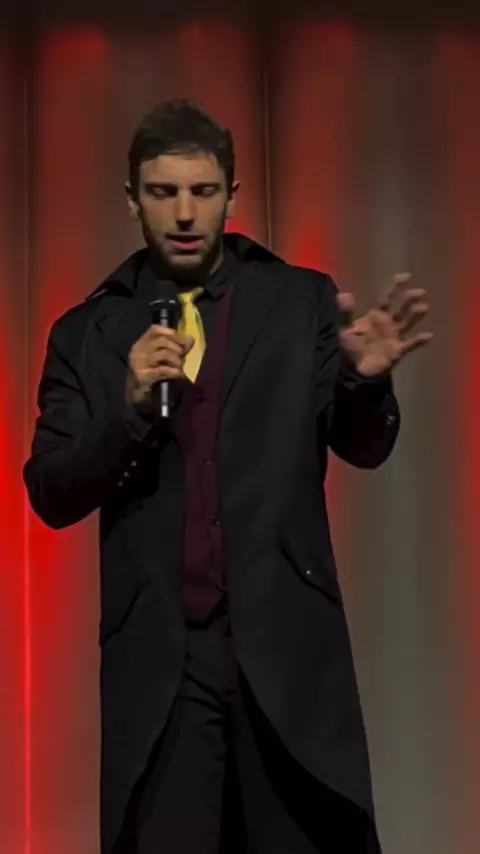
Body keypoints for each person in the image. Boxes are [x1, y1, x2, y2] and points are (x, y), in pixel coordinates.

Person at [24, 99, 432, 854]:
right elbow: (50, 491)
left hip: (286, 649)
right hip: (162, 667)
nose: (184, 213)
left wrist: (363, 382)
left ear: (232, 196)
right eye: (163, 192)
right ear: (132, 199)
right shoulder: (85, 333)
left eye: (203, 192)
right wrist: (129, 410)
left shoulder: (299, 301)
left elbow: (364, 446)